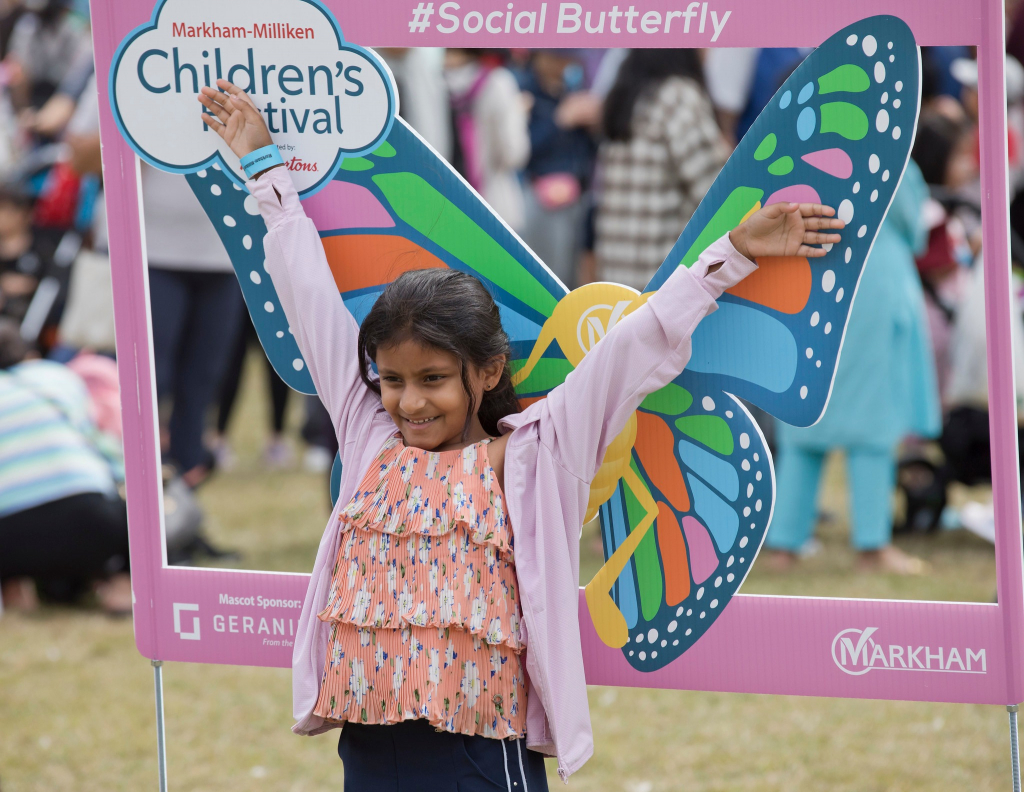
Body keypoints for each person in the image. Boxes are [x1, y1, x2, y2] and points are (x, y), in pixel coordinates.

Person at [197, 78, 844, 787]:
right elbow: (307, 293)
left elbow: (634, 346)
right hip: (369, 751)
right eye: (393, 379)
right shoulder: (367, 436)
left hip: (481, 759)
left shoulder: (535, 454)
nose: (410, 402)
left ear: (487, 370)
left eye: (433, 378)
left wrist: (730, 256)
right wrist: (265, 171)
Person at [764, 161, 940, 575]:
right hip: (872, 280)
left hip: (811, 277)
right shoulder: (891, 148)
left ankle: (784, 544)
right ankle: (872, 546)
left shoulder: (803, 146)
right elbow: (912, 223)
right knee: (873, 421)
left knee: (804, 415)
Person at [0, 319, 129, 614]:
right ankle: (121, 586)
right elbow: (97, 440)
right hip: (89, 517)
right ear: (28, 354)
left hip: (8, 538)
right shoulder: (55, 376)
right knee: (125, 522)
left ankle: (15, 589)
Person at [594, 49, 727, 291]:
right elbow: (715, 193)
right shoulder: (678, 97)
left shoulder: (626, 94)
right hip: (663, 282)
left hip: (616, 278)